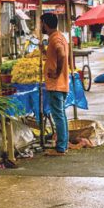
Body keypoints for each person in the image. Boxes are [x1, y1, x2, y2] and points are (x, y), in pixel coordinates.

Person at [40, 13, 69, 156]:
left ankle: (61, 148)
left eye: (41, 24)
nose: (41, 27)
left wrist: (57, 73)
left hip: (56, 84)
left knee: (58, 116)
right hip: (61, 83)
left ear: (45, 23)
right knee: (61, 115)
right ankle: (63, 144)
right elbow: (55, 56)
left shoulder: (55, 38)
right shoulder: (60, 36)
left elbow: (62, 54)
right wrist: (44, 52)